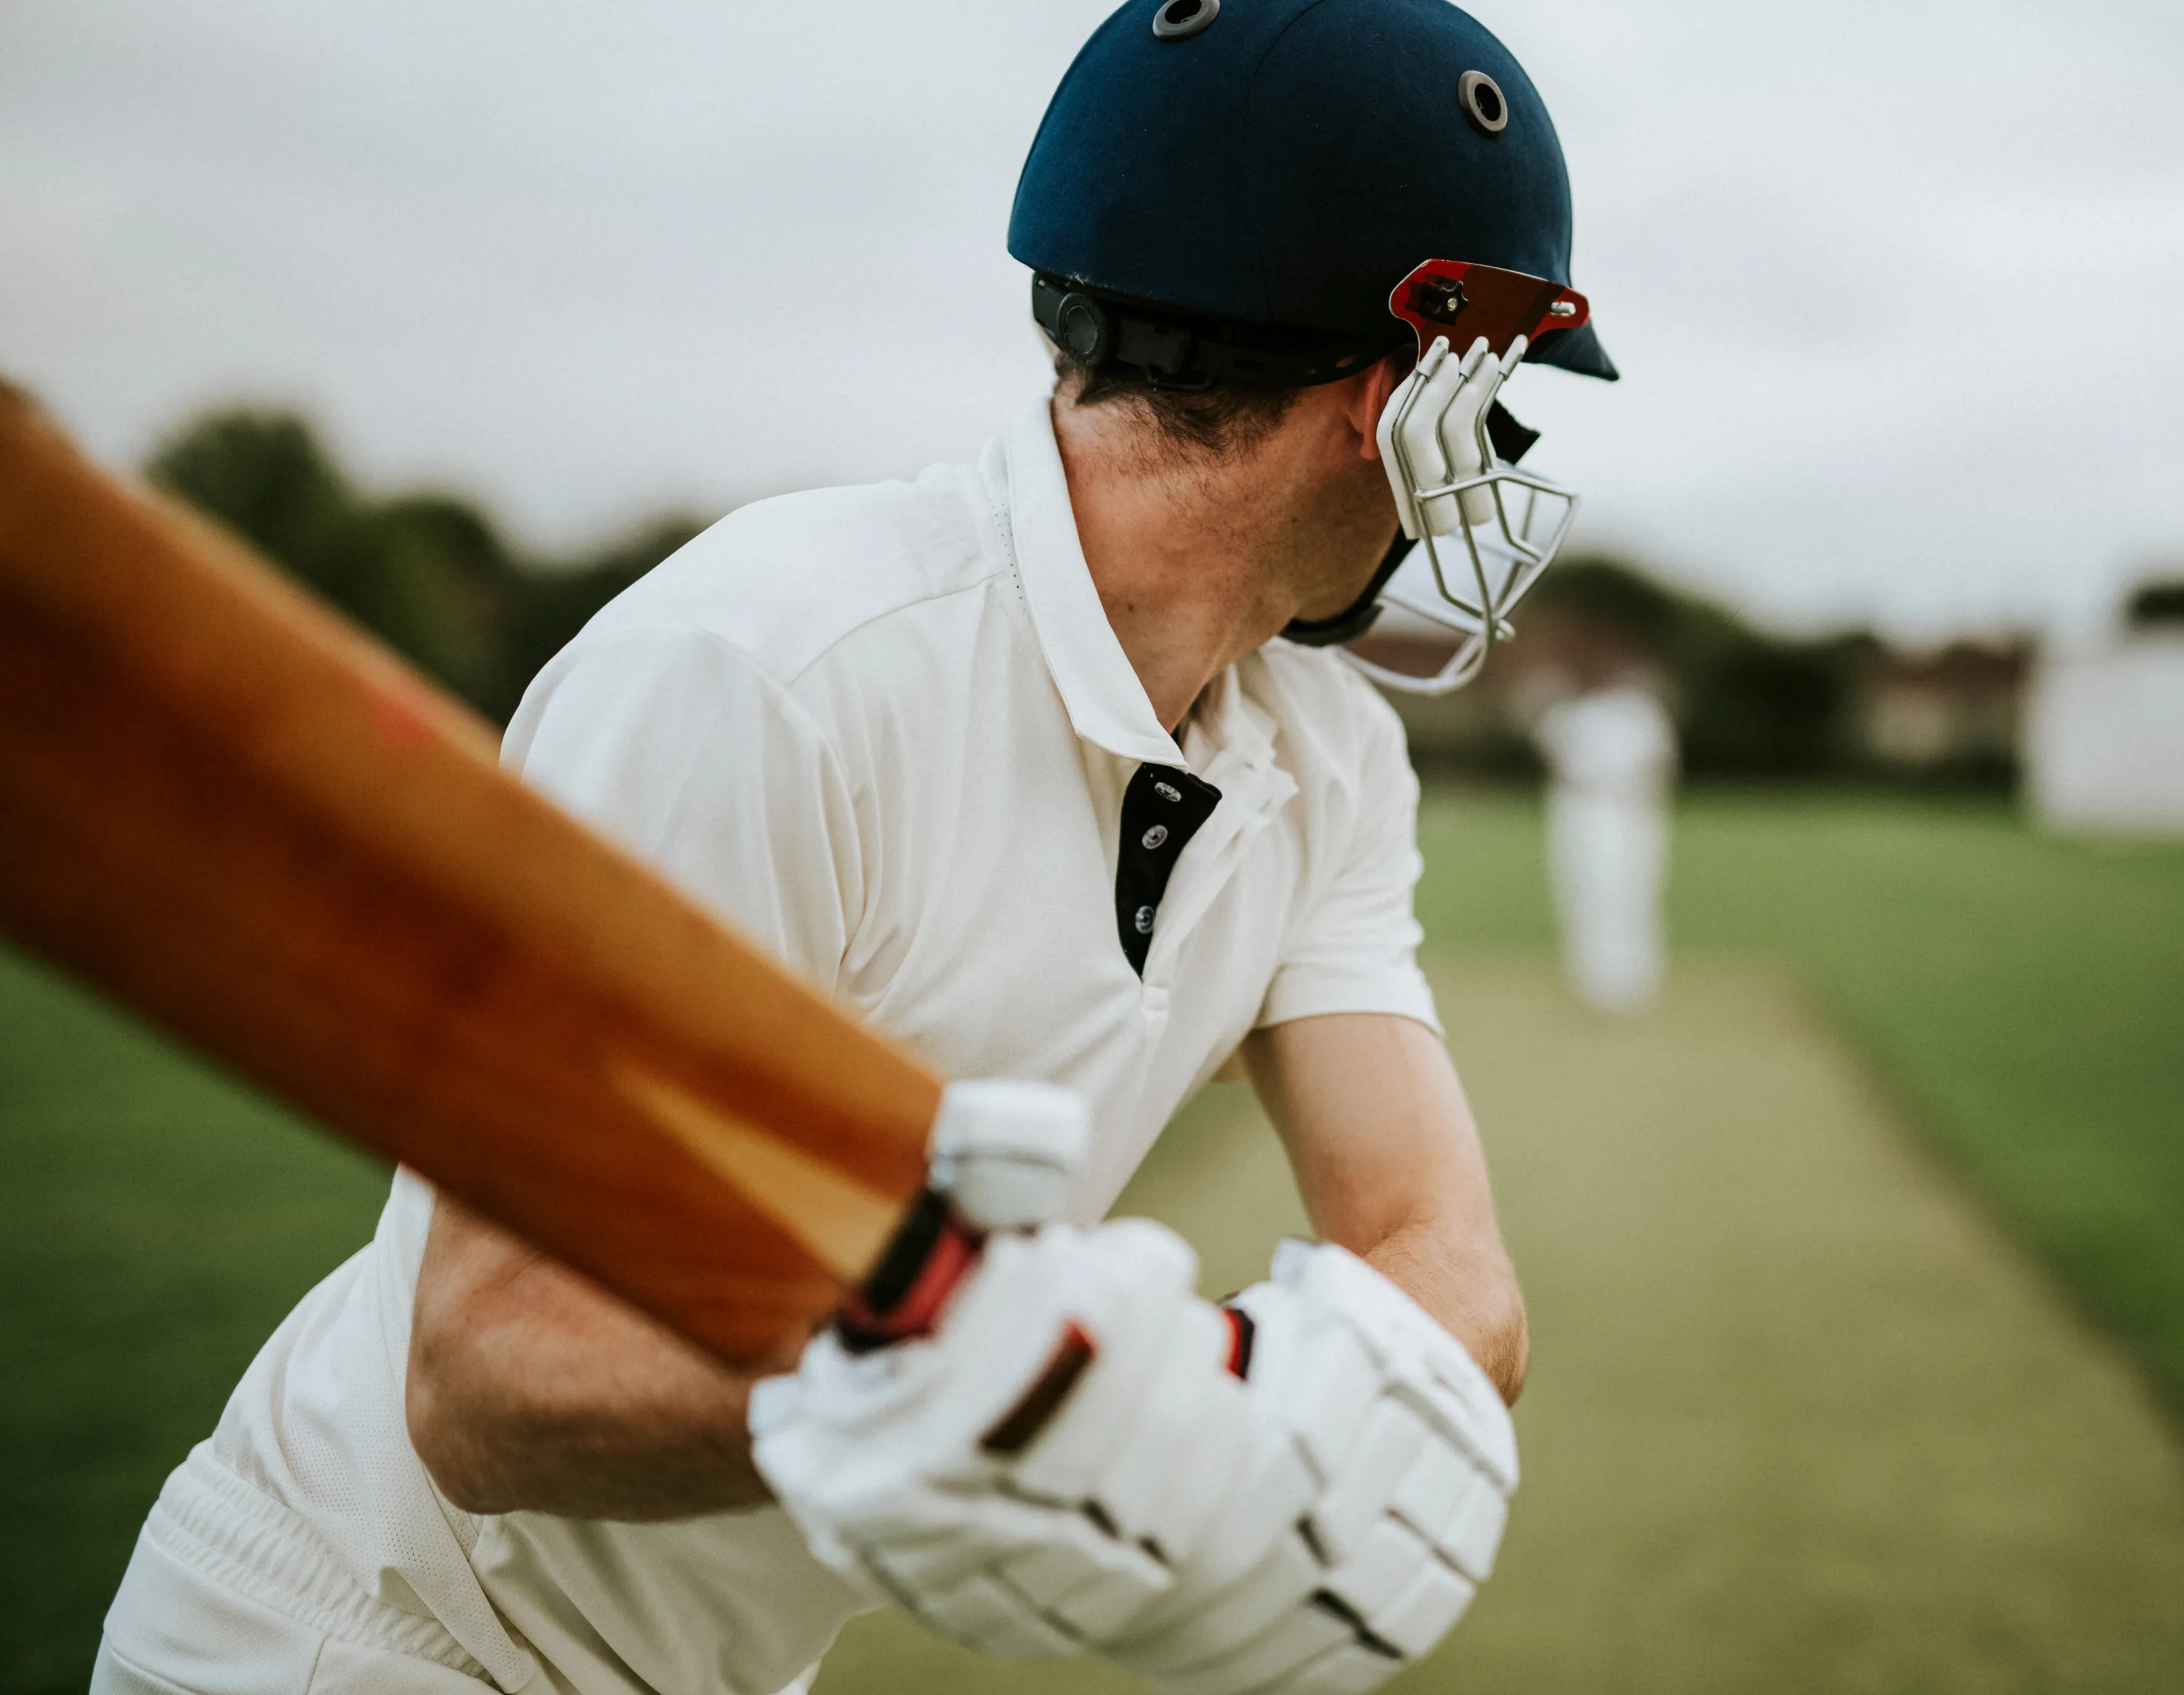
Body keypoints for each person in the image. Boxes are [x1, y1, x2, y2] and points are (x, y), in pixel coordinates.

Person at [92, 3, 1617, 1691]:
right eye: (1504, 405)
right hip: (363, 1637)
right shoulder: (764, 669)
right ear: (1401, 389)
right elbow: (486, 1378)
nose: (1496, 465)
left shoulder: (1328, 757)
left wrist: (1194, 1388)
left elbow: (1449, 1270)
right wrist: (1001, 1398)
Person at [1533, 683, 1679, 1015]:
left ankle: (1633, 978)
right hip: (1584, 807)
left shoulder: (1641, 713)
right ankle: (1592, 979)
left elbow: (1662, 764)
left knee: (1635, 891)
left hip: (1631, 809)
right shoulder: (1570, 712)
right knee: (1582, 890)